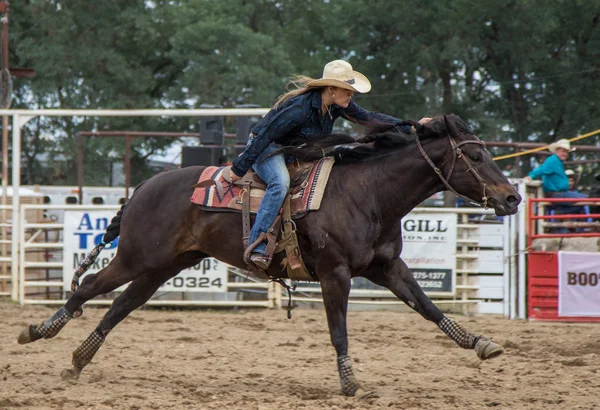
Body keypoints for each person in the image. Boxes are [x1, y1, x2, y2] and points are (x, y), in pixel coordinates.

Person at [230, 59, 429, 270]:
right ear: (332, 89)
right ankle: (257, 245)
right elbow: (266, 136)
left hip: (295, 151)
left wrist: (411, 127)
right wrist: (239, 168)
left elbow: (370, 118)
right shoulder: (299, 109)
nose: (351, 94)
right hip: (268, 147)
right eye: (347, 90)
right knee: (279, 183)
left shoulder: (336, 106)